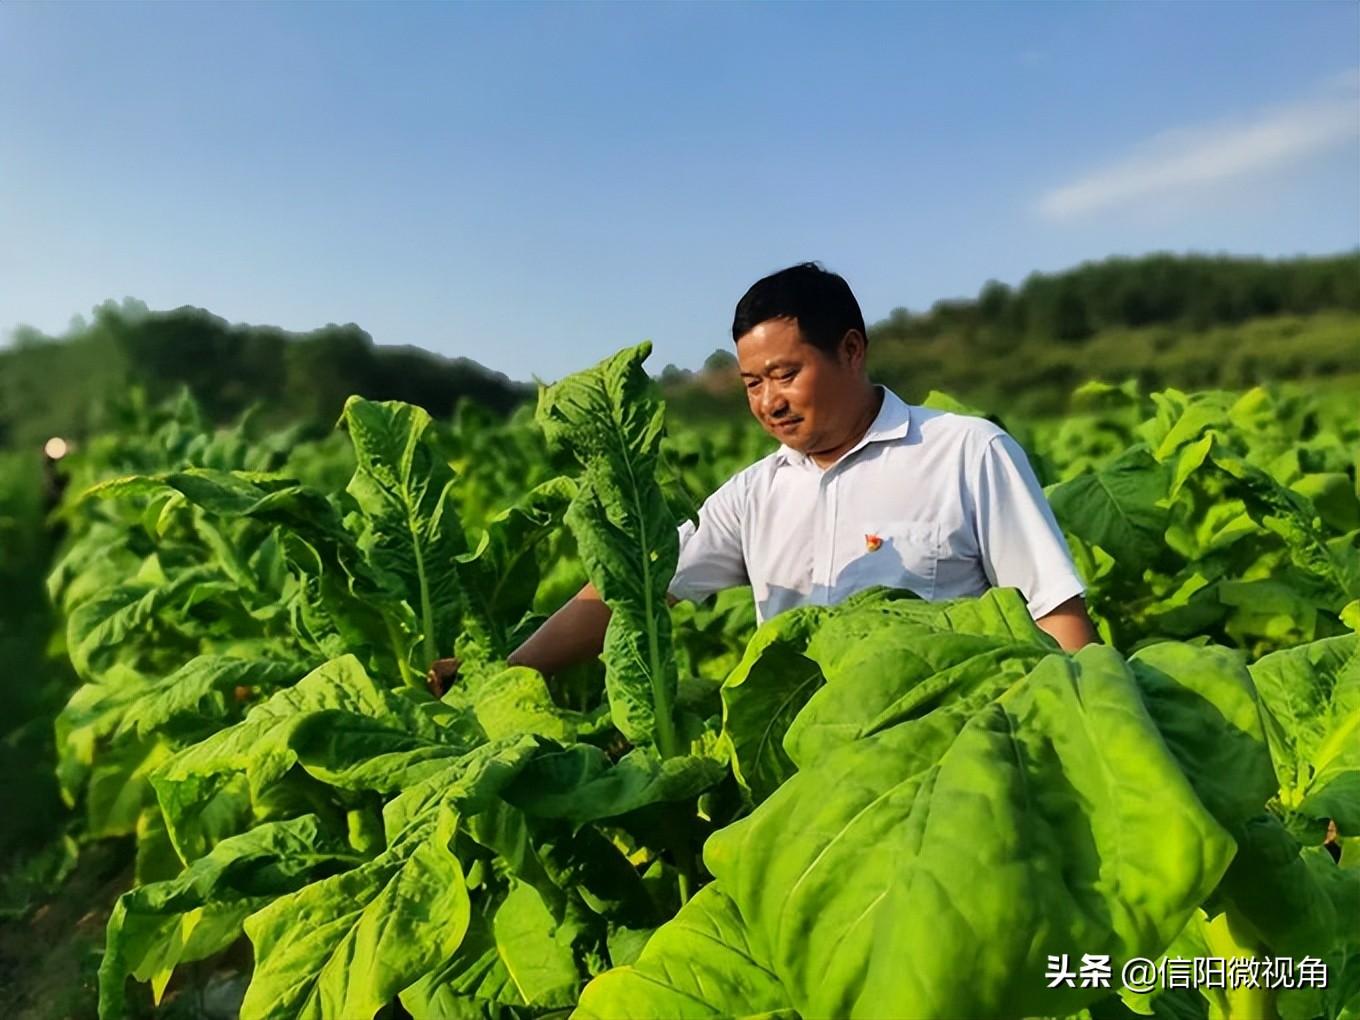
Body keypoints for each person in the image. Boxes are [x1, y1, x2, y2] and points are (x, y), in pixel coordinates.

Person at [428, 262, 1095, 694]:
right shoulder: (756, 493)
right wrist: (503, 674)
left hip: (955, 753)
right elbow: (633, 587)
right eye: (752, 383)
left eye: (785, 374)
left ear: (851, 350)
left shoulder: (964, 451)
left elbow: (1056, 614)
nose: (769, 401)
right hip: (800, 766)